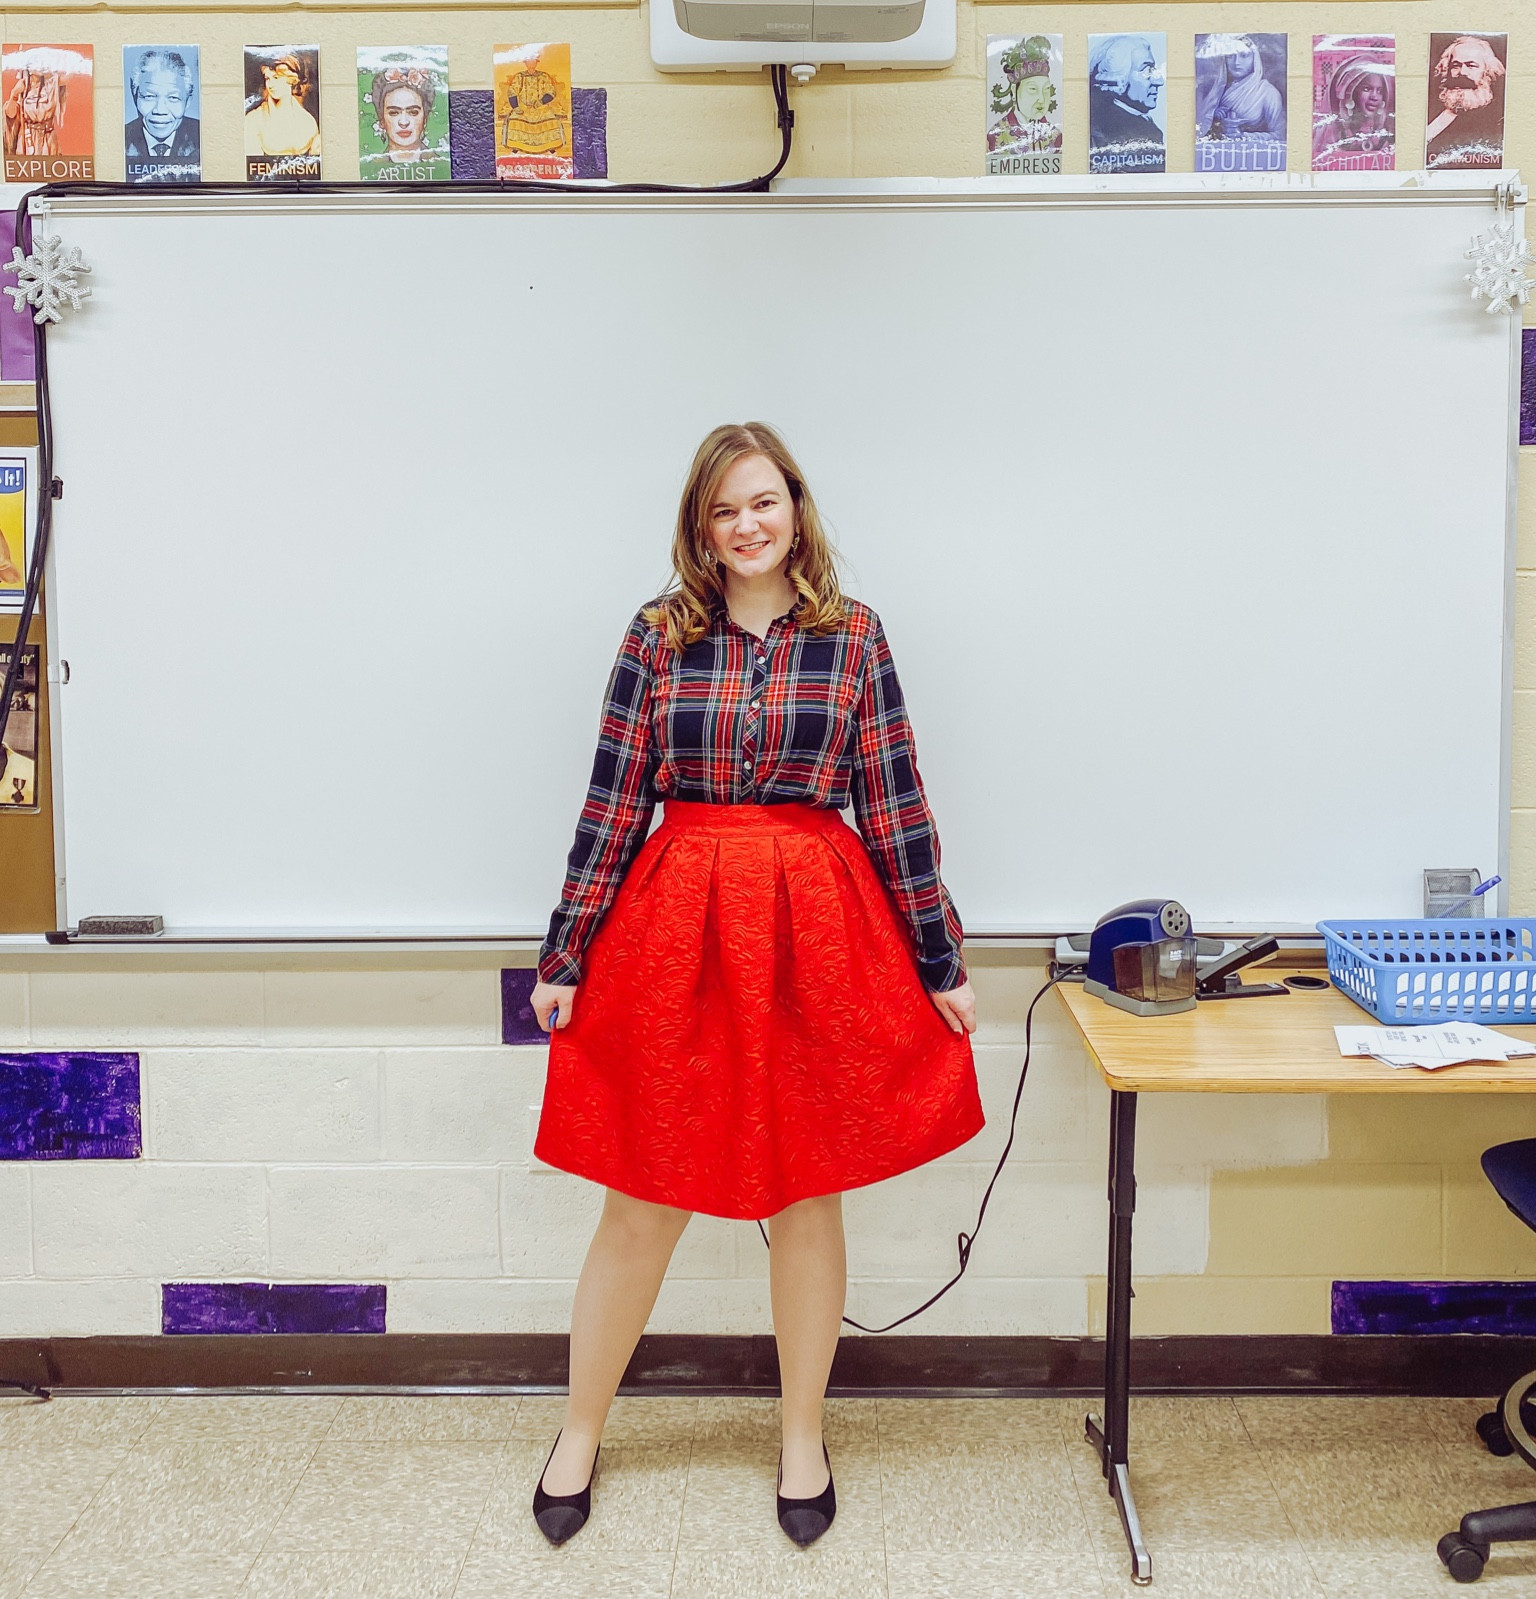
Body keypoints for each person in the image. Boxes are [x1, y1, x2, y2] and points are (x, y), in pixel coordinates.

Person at [528, 422, 983, 1549]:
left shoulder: (855, 638)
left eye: (764, 503)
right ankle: (580, 1429)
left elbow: (894, 805)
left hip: (811, 928)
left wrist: (941, 961)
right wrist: (564, 951)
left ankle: (802, 1435)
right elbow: (611, 802)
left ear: (796, 508)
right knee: (641, 1192)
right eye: (725, 509)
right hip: (675, 925)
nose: (747, 525)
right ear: (701, 524)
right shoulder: (656, 635)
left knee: (807, 1187)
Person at [1426, 35, 1506, 169]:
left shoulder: (1496, 119)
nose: (1462, 72)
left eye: (1471, 66)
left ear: (1486, 71)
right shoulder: (1434, 109)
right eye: (1455, 66)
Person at [1088, 35, 1164, 172]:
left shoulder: (1148, 127)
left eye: (1154, 70)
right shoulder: (1101, 129)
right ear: (1118, 77)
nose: (1159, 81)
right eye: (1146, 70)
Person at [1197, 36, 1284, 143]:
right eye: (1231, 56)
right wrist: (1213, 116)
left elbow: (1280, 135)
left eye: (1244, 55)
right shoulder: (1215, 90)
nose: (1237, 62)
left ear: (1255, 59)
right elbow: (1199, 130)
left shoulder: (1268, 93)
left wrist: (1243, 136)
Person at [124, 49, 199, 166]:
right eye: (149, 96)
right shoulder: (120, 140)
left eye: (173, 98)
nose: (160, 110)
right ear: (135, 96)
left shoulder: (202, 137)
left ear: (188, 101)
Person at [244, 54, 319, 160]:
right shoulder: (253, 120)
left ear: (292, 80)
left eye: (276, 77)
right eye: (268, 78)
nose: (271, 84)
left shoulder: (308, 121)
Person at [367, 65, 435, 167]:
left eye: (413, 112)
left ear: (425, 118)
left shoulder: (439, 163)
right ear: (382, 120)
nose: (404, 122)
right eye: (394, 113)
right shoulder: (372, 168)